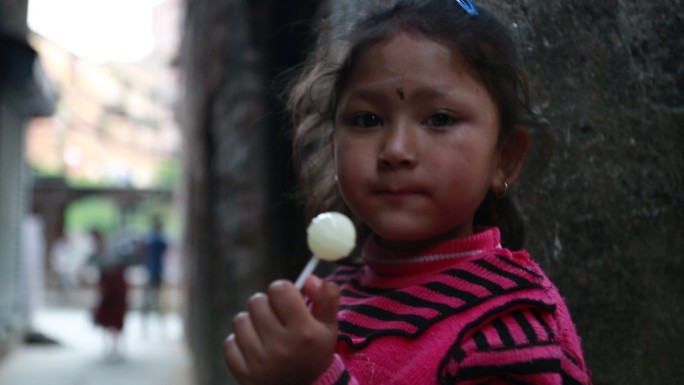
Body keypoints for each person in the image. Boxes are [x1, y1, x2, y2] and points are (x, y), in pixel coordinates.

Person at [223, 1, 592, 384]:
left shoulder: (508, 325)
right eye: (367, 120)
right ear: (334, 147)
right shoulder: (326, 301)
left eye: (440, 119)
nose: (396, 151)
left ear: (505, 158)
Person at [89, 228, 128, 359]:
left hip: (115, 287)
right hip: (108, 287)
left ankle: (116, 345)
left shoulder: (110, 250)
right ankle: (109, 345)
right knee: (107, 317)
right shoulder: (99, 252)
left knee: (115, 316)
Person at [141, 216, 169, 335]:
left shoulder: (151, 239)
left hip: (153, 272)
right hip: (155, 273)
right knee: (153, 300)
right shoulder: (157, 240)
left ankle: (147, 327)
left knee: (151, 300)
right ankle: (151, 327)